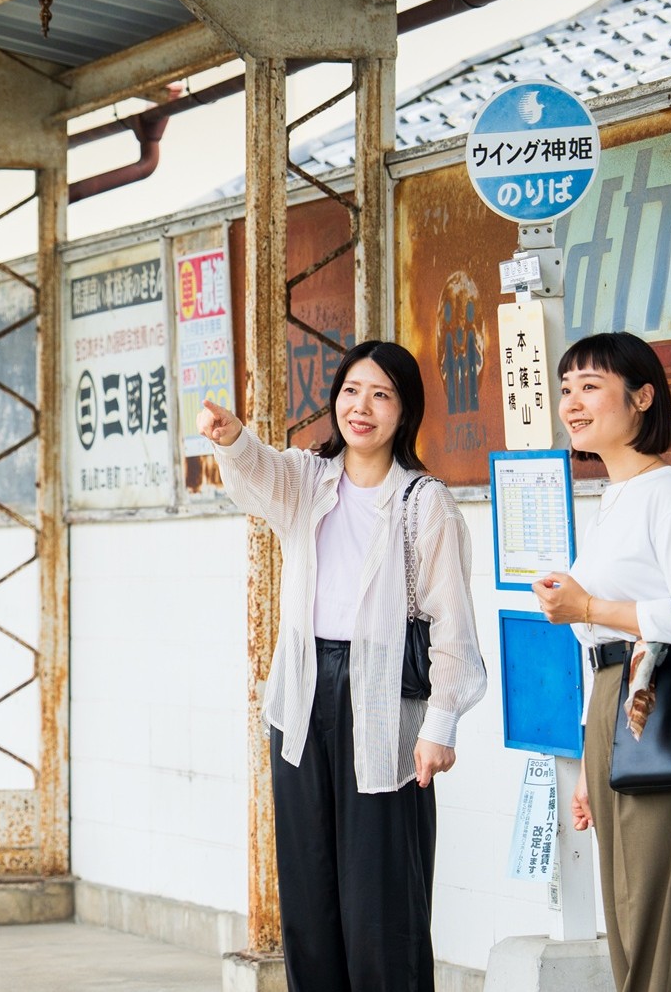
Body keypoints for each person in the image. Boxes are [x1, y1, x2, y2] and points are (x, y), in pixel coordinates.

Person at [199, 340, 487, 992]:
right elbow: (258, 474)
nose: (363, 406)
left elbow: (453, 623)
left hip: (384, 706)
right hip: (302, 703)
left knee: (381, 902)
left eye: (382, 394)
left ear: (405, 411)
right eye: (353, 389)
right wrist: (234, 438)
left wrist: (440, 722)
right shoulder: (310, 479)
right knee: (310, 892)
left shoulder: (424, 500)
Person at [529, 331, 671, 992]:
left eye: (591, 385)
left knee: (651, 918)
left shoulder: (670, 492)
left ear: (642, 397)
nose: (573, 402)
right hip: (619, 703)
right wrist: (593, 748)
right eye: (565, 388)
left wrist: (590, 602)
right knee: (651, 924)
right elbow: (603, 644)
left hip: (661, 705)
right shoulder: (617, 496)